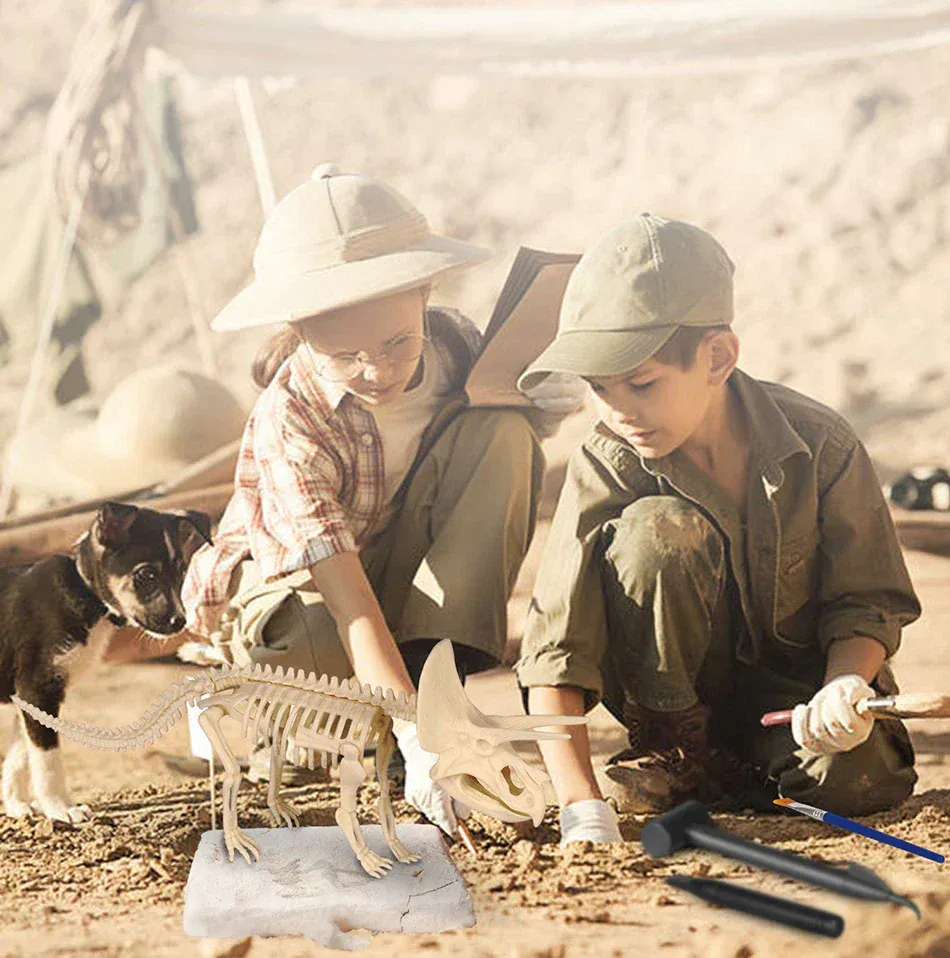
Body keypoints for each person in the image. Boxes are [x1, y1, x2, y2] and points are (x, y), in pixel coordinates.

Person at [180, 164, 584, 836]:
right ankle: (261, 703)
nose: (378, 371)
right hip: (301, 604)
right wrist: (420, 744)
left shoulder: (455, 344)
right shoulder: (291, 420)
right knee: (314, 662)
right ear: (301, 329)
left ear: (426, 292)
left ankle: (434, 689)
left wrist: (541, 405)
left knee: (505, 432)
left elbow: (479, 477)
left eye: (398, 342)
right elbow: (352, 609)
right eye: (346, 355)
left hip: (397, 563)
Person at [514, 214, 921, 846]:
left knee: (856, 783)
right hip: (670, 715)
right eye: (599, 388)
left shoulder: (822, 444)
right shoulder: (605, 460)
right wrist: (580, 807)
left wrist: (846, 686)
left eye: (642, 383)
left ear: (718, 357)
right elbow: (556, 652)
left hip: (798, 705)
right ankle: (682, 761)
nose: (618, 410)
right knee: (658, 531)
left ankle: (736, 777)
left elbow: (867, 604)